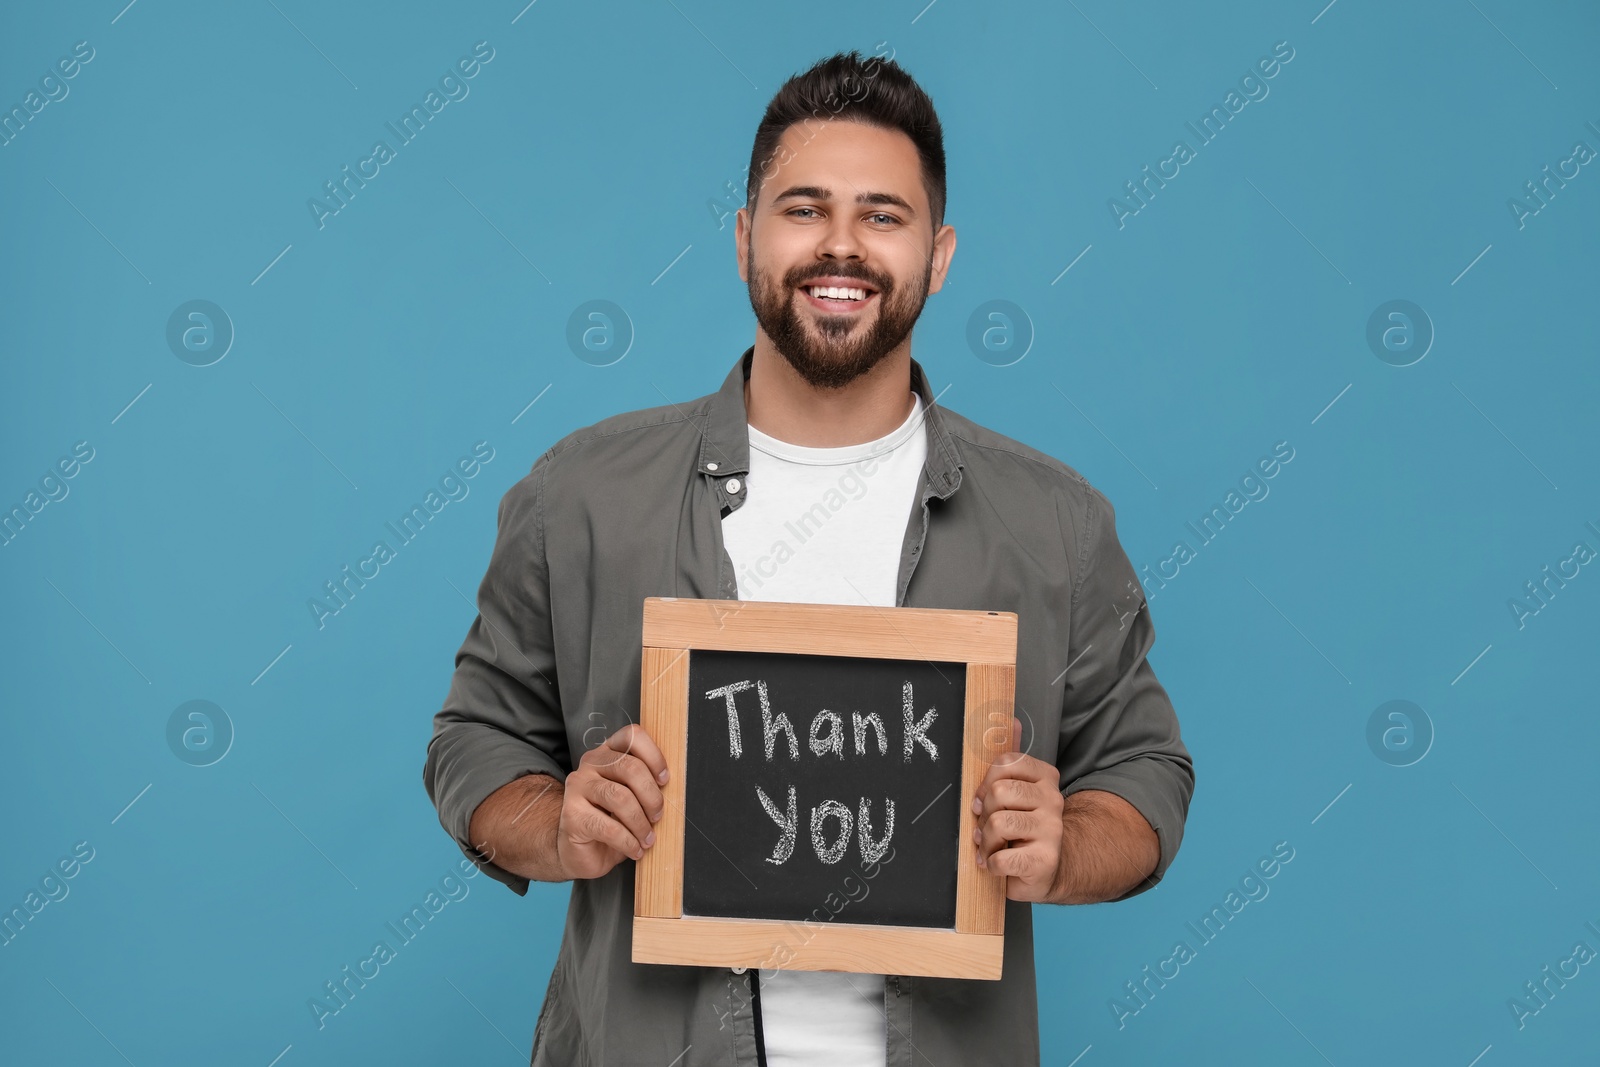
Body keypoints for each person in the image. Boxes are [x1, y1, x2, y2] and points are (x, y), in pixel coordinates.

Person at [424, 49, 1194, 1067]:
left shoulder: (1053, 523)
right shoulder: (584, 494)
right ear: (746, 237)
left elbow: (1145, 773)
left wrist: (1063, 845)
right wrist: (558, 821)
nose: (842, 246)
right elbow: (474, 741)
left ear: (940, 252)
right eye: (803, 209)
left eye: (883, 214)